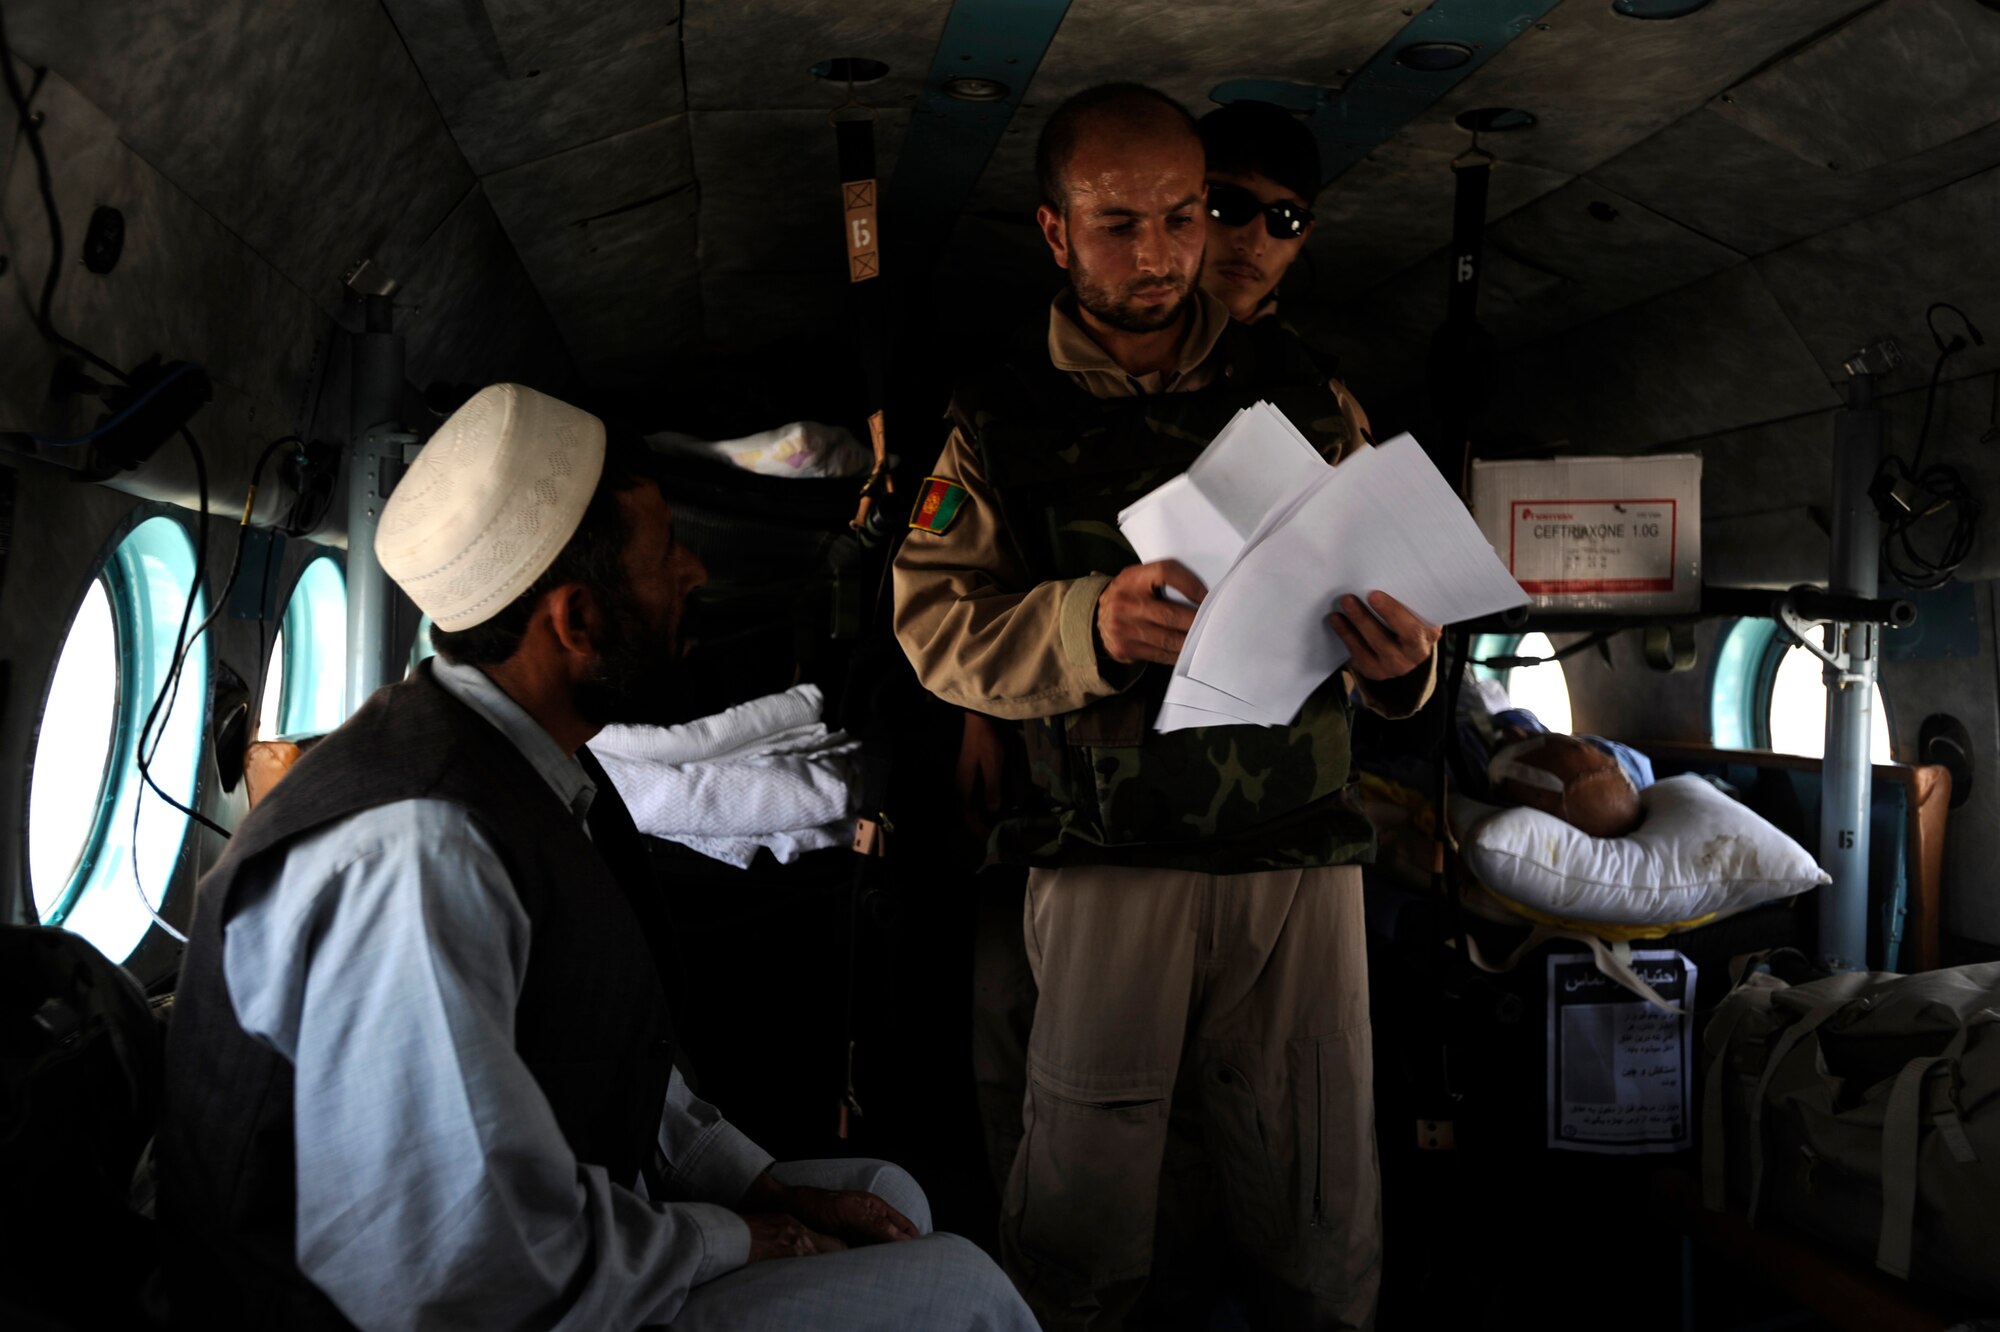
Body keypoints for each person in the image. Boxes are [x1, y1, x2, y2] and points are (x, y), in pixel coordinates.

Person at [160, 383, 1035, 1332]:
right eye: (665, 559)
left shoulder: (533, 771)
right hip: (442, 1305)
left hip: (536, 1249)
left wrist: (766, 1188)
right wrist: (739, 1238)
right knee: (963, 1290)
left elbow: (606, 1058)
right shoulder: (420, 854)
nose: (695, 574)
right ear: (576, 622)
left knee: (883, 1188)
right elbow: (461, 1266)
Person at [894, 85, 1440, 1330]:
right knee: (1087, 1214)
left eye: (1183, 218)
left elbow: (1403, 598)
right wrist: (1087, 624)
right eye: (1116, 224)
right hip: (1105, 865)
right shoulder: (994, 422)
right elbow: (934, 628)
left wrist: (1404, 662)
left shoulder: (1306, 398)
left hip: (1296, 859)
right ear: (1052, 233)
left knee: (1317, 1203)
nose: (1158, 255)